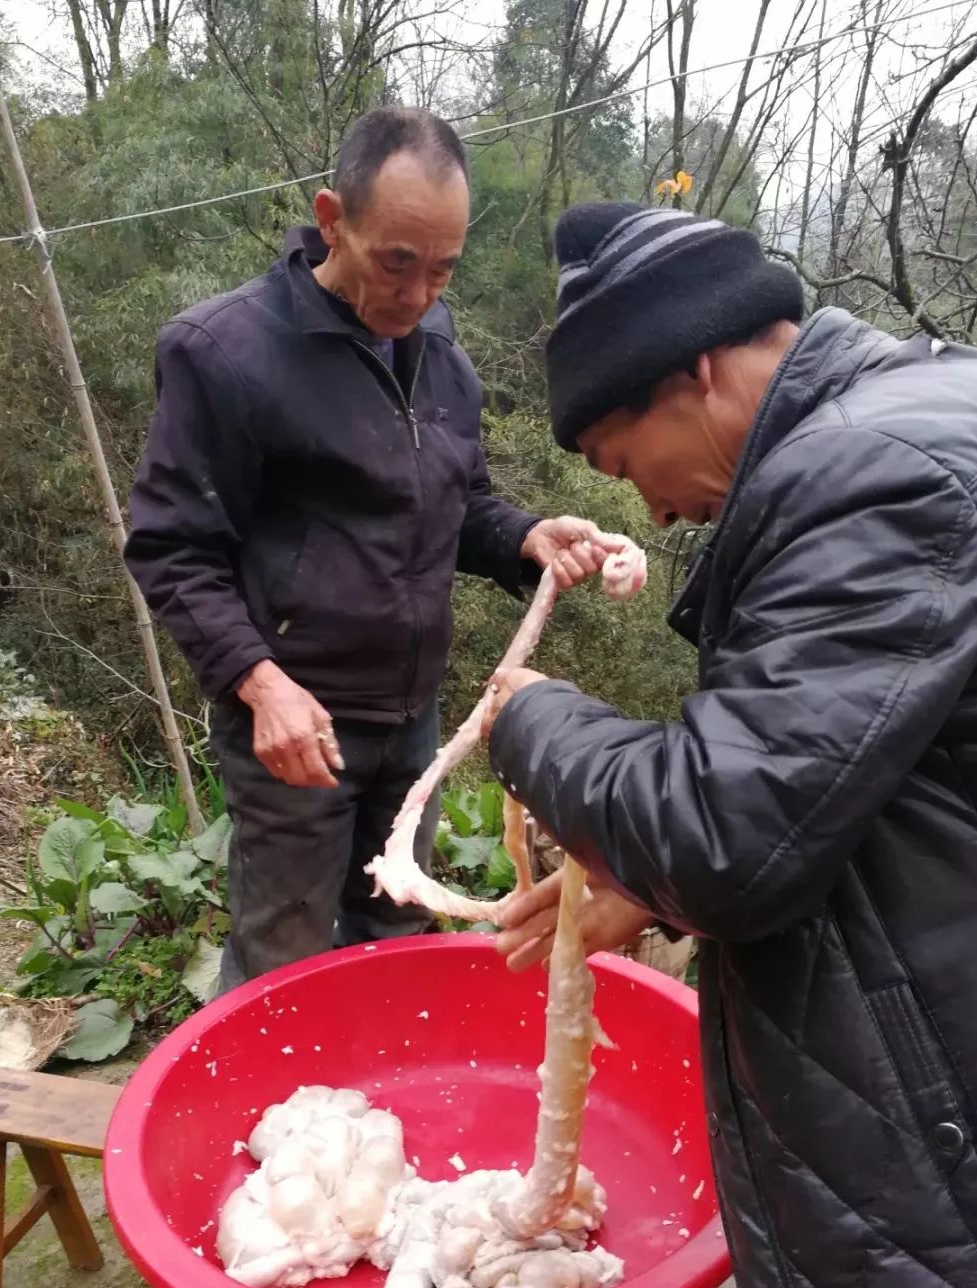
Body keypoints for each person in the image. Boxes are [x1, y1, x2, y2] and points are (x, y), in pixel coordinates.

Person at [483, 202, 977, 1288]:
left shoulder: (879, 478)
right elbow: (895, 778)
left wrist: (536, 723)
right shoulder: (938, 410)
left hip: (974, 1182)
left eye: (629, 466)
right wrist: (645, 882)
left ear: (696, 366)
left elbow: (727, 839)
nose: (662, 515)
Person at [125, 108, 615, 994]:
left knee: (397, 932)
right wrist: (259, 684)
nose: (420, 294)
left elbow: (455, 504)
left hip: (413, 720)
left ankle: (375, 1124)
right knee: (285, 957)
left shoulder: (440, 354)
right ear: (331, 219)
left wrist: (526, 538)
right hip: (296, 725)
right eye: (398, 262)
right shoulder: (226, 354)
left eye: (442, 269)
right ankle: (272, 1123)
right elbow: (171, 546)